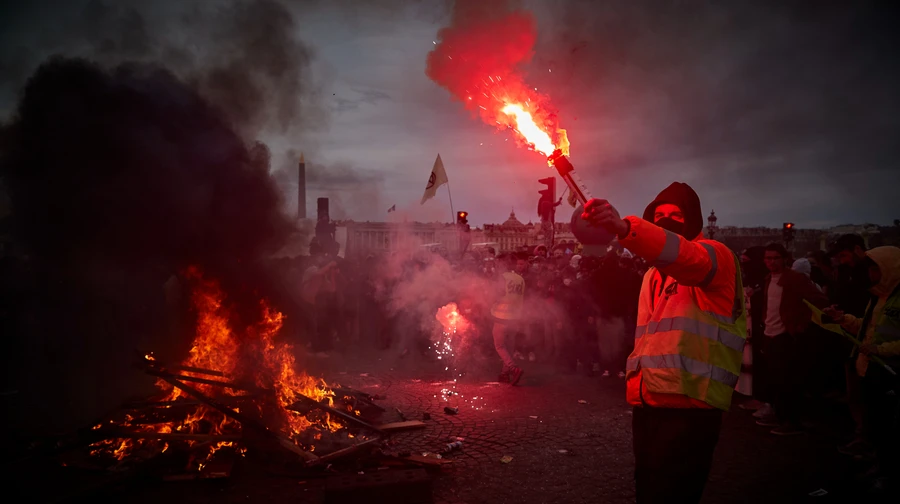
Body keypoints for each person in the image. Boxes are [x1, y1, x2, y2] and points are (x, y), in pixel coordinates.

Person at [582, 182, 746, 504]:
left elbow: (687, 257)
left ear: (694, 221)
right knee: (647, 484)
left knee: (673, 492)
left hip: (692, 401)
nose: (667, 220)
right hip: (650, 398)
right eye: (659, 215)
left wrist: (623, 227)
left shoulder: (717, 257)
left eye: (676, 214)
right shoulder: (653, 277)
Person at [825, 246, 900, 495]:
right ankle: (880, 465)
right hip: (870, 368)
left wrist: (881, 349)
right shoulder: (878, 297)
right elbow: (864, 326)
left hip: (888, 371)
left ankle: (887, 473)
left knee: (888, 428)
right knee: (877, 425)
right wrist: (843, 318)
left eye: (876, 268)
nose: (870, 273)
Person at [756, 243, 829, 435]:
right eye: (768, 258)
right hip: (770, 334)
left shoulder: (795, 279)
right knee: (776, 379)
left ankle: (791, 421)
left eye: (775, 258)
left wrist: (800, 324)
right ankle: (782, 416)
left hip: (786, 335)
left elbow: (818, 299)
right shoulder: (768, 279)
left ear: (784, 259)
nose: (771, 262)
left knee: (788, 381)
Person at [490, 254, 525, 385]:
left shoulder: (501, 278)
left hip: (501, 316)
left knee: (499, 345)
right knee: (509, 346)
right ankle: (504, 374)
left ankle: (513, 368)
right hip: (515, 317)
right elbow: (521, 299)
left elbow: (496, 295)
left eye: (498, 263)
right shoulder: (520, 279)